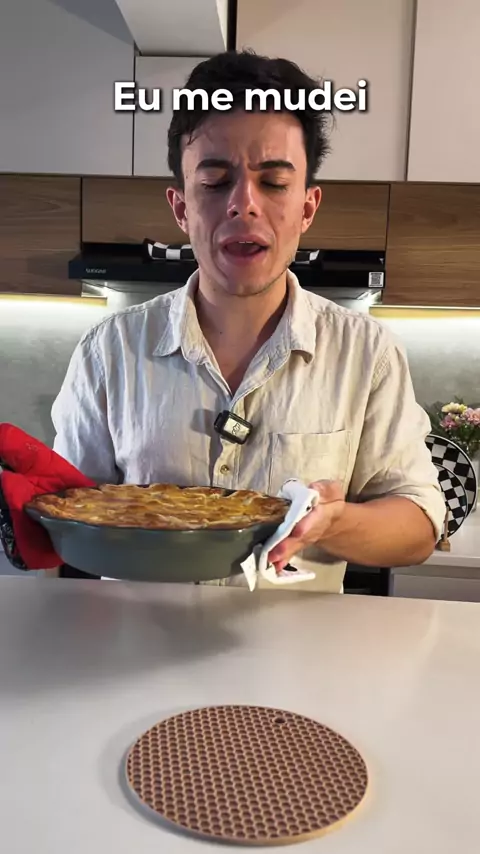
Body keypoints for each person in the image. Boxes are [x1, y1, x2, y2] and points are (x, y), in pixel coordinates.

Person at [51, 50, 445, 591]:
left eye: (274, 182)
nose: (243, 204)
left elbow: (418, 527)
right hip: (135, 639)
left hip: (299, 643)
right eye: (215, 182)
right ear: (181, 207)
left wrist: (335, 522)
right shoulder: (108, 352)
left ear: (307, 207)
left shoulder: (367, 353)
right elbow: (66, 513)